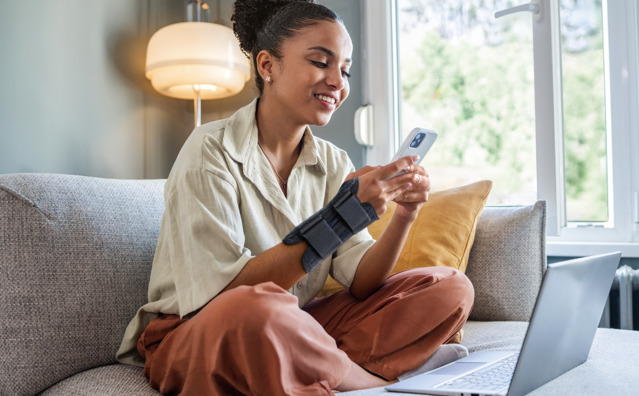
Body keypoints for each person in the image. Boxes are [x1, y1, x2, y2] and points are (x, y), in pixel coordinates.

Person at [116, 0, 475, 394]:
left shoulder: (333, 162)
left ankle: (307, 365)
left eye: (345, 69)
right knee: (257, 309)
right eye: (321, 62)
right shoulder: (209, 150)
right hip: (199, 331)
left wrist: (405, 214)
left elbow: (361, 282)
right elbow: (220, 299)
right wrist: (342, 216)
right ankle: (366, 382)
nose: (338, 81)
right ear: (267, 66)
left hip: (291, 324)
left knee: (450, 287)